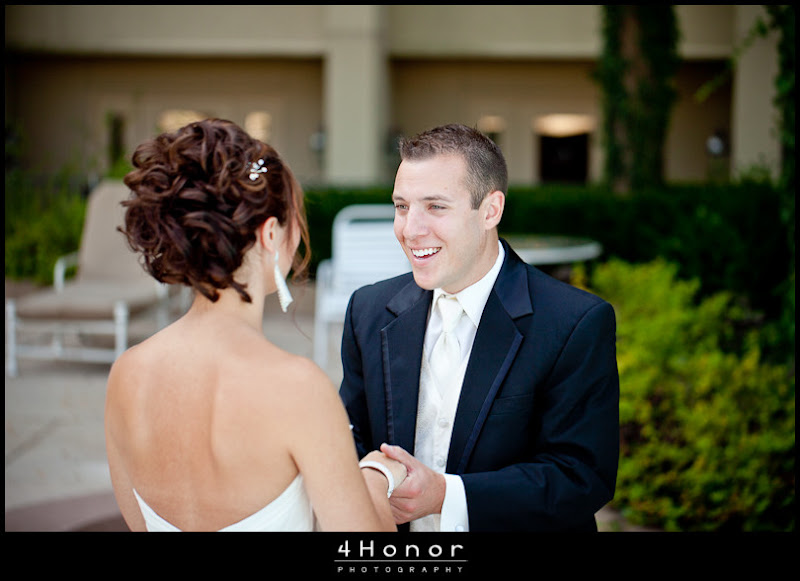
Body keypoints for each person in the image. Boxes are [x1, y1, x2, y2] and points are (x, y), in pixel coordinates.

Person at [105, 118, 406, 532]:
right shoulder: (298, 387)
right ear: (269, 234)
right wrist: (377, 477)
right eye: (293, 219)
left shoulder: (126, 373)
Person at [339, 123, 619, 532]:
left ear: (490, 210)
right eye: (401, 206)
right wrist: (377, 473)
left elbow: (580, 476)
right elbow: (351, 437)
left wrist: (446, 495)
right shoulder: (367, 311)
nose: (410, 229)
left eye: (436, 207)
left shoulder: (574, 322)